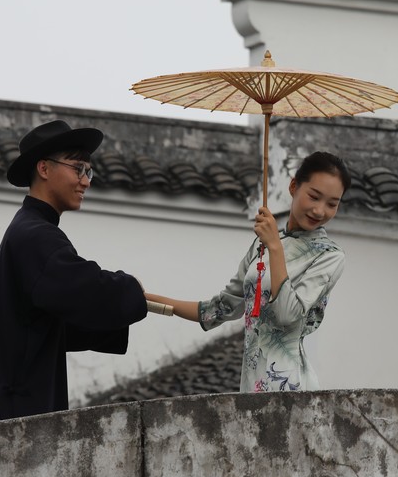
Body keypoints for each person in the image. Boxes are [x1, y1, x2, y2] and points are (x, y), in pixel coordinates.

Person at [0, 119, 148, 425]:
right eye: (78, 168)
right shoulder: (34, 234)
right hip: (12, 417)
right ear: (44, 169)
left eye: (89, 171)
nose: (86, 181)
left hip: (12, 410)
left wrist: (124, 309)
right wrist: (130, 289)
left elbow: (53, 324)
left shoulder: (31, 229)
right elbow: (83, 289)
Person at [147, 151, 349, 392]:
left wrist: (275, 246)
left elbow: (287, 314)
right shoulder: (262, 244)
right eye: (314, 197)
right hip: (251, 385)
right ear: (294, 186)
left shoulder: (329, 256)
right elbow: (218, 309)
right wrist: (147, 300)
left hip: (291, 386)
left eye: (331, 204)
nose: (319, 211)